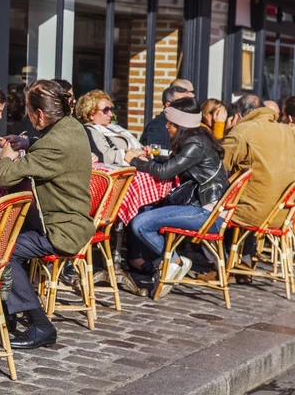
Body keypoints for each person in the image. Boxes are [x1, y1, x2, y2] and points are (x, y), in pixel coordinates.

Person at [0, 80, 94, 349]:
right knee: (4, 230)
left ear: (39, 114)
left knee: (1, 249)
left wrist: (6, 155)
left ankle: (40, 325)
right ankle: (3, 312)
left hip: (61, 229)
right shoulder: (73, 127)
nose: (27, 115)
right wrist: (27, 142)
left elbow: (4, 177)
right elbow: (49, 143)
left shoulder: (55, 145)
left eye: (28, 111)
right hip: (67, 219)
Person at [125, 96, 229, 298]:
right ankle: (166, 263)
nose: (166, 127)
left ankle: (173, 261)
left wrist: (135, 161)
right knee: (147, 209)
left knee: (140, 224)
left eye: (170, 123)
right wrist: (151, 158)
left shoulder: (196, 144)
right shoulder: (199, 138)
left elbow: (164, 172)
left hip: (206, 213)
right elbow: (174, 163)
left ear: (181, 125)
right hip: (205, 206)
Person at [223, 94, 295, 266]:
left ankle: (216, 263)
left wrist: (227, 132)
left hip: (252, 213)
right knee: (251, 192)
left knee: (214, 207)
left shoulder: (244, 130)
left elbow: (221, 165)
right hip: (283, 215)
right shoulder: (287, 131)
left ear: (239, 115)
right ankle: (244, 261)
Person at [76, 89, 142, 165]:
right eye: (106, 110)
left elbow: (137, 145)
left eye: (111, 109)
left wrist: (145, 150)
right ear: (91, 114)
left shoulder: (114, 128)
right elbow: (105, 155)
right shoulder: (91, 131)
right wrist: (134, 154)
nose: (110, 114)